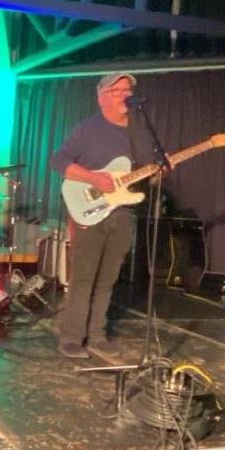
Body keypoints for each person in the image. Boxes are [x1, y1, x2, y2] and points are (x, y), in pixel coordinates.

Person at [50, 73, 153, 359]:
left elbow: (145, 173)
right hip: (89, 209)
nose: (124, 94)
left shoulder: (139, 131)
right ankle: (71, 338)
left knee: (108, 279)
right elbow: (59, 161)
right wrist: (94, 178)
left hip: (123, 213)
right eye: (116, 90)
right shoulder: (88, 128)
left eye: (127, 90)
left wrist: (158, 172)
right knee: (83, 277)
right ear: (100, 98)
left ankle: (96, 335)